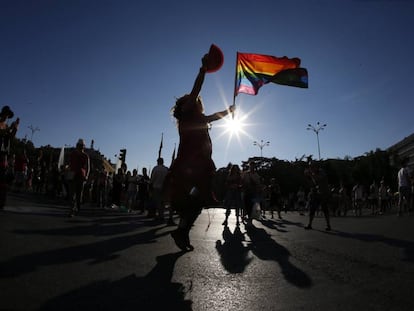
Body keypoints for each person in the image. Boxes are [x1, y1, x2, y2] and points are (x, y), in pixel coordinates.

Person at [164, 52, 235, 251]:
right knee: (192, 200)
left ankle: (182, 233)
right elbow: (196, 89)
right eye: (190, 99)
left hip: (200, 167)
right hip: (188, 166)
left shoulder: (200, 119)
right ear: (185, 105)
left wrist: (229, 111)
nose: (194, 100)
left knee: (199, 200)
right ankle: (181, 231)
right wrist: (203, 70)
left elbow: (213, 116)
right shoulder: (187, 116)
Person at [0, 106, 19, 209]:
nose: (7, 116)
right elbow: (2, 133)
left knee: (3, 179)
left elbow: (11, 138)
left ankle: (1, 202)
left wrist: (15, 128)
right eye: (6, 114)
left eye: (8, 115)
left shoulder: (7, 126)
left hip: (3, 155)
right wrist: (10, 128)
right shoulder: (2, 125)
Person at [304, 161, 332, 231]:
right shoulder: (313, 173)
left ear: (316, 167)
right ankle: (310, 224)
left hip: (323, 193)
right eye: (310, 167)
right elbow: (312, 183)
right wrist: (307, 177)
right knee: (312, 209)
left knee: (325, 209)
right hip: (316, 193)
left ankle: (328, 225)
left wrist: (310, 175)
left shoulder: (321, 171)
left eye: (312, 167)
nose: (311, 168)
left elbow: (318, 178)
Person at [68, 139, 90, 217]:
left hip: (81, 176)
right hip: (73, 175)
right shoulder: (72, 154)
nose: (80, 147)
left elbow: (88, 167)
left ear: (83, 146)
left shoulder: (85, 156)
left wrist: (86, 176)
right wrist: (67, 171)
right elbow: (69, 164)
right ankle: (72, 210)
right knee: (72, 194)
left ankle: (77, 208)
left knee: (79, 195)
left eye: (82, 145)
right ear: (77, 145)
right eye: (79, 145)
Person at [150, 157, 173, 223]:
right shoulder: (166, 169)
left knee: (158, 202)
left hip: (156, 187)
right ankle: (162, 215)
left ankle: (160, 216)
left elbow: (152, 178)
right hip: (164, 188)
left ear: (158, 161)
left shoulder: (155, 168)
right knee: (163, 202)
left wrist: (151, 185)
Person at [242, 161, 262, 226]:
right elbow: (242, 181)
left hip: (253, 192)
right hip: (246, 191)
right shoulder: (245, 174)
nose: (252, 167)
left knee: (252, 205)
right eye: (251, 166)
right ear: (249, 166)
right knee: (246, 204)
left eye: (253, 166)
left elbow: (258, 184)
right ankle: (247, 216)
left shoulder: (256, 175)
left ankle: (250, 219)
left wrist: (257, 190)